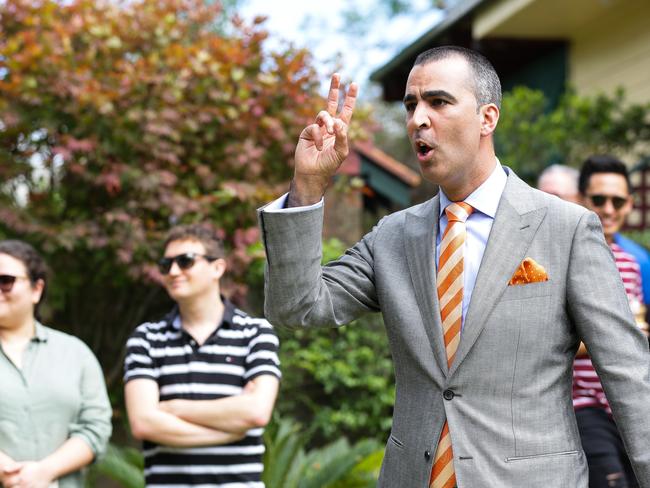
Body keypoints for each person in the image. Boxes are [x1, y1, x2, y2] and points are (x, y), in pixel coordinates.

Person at [257, 46, 650, 487]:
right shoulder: (392, 235)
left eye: (438, 102)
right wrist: (308, 186)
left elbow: (626, 372)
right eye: (411, 105)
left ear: (487, 118)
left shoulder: (567, 228)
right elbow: (298, 307)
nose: (417, 120)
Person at [123, 224, 281, 487]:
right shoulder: (146, 339)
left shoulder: (256, 333)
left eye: (185, 261)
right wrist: (228, 431)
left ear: (217, 268)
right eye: (166, 264)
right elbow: (143, 423)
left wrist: (174, 408)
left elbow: (255, 413)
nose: (173, 272)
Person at [0, 239, 112, 488]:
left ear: (36, 289)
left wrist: (45, 472)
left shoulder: (75, 353)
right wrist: (9, 473)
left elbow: (96, 426)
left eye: (5, 281)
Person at [573, 155, 649, 488]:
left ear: (630, 204)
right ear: (581, 199)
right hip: (582, 403)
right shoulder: (563, 255)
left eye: (618, 201)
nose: (608, 209)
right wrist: (613, 342)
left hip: (627, 401)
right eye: (599, 199)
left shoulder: (633, 263)